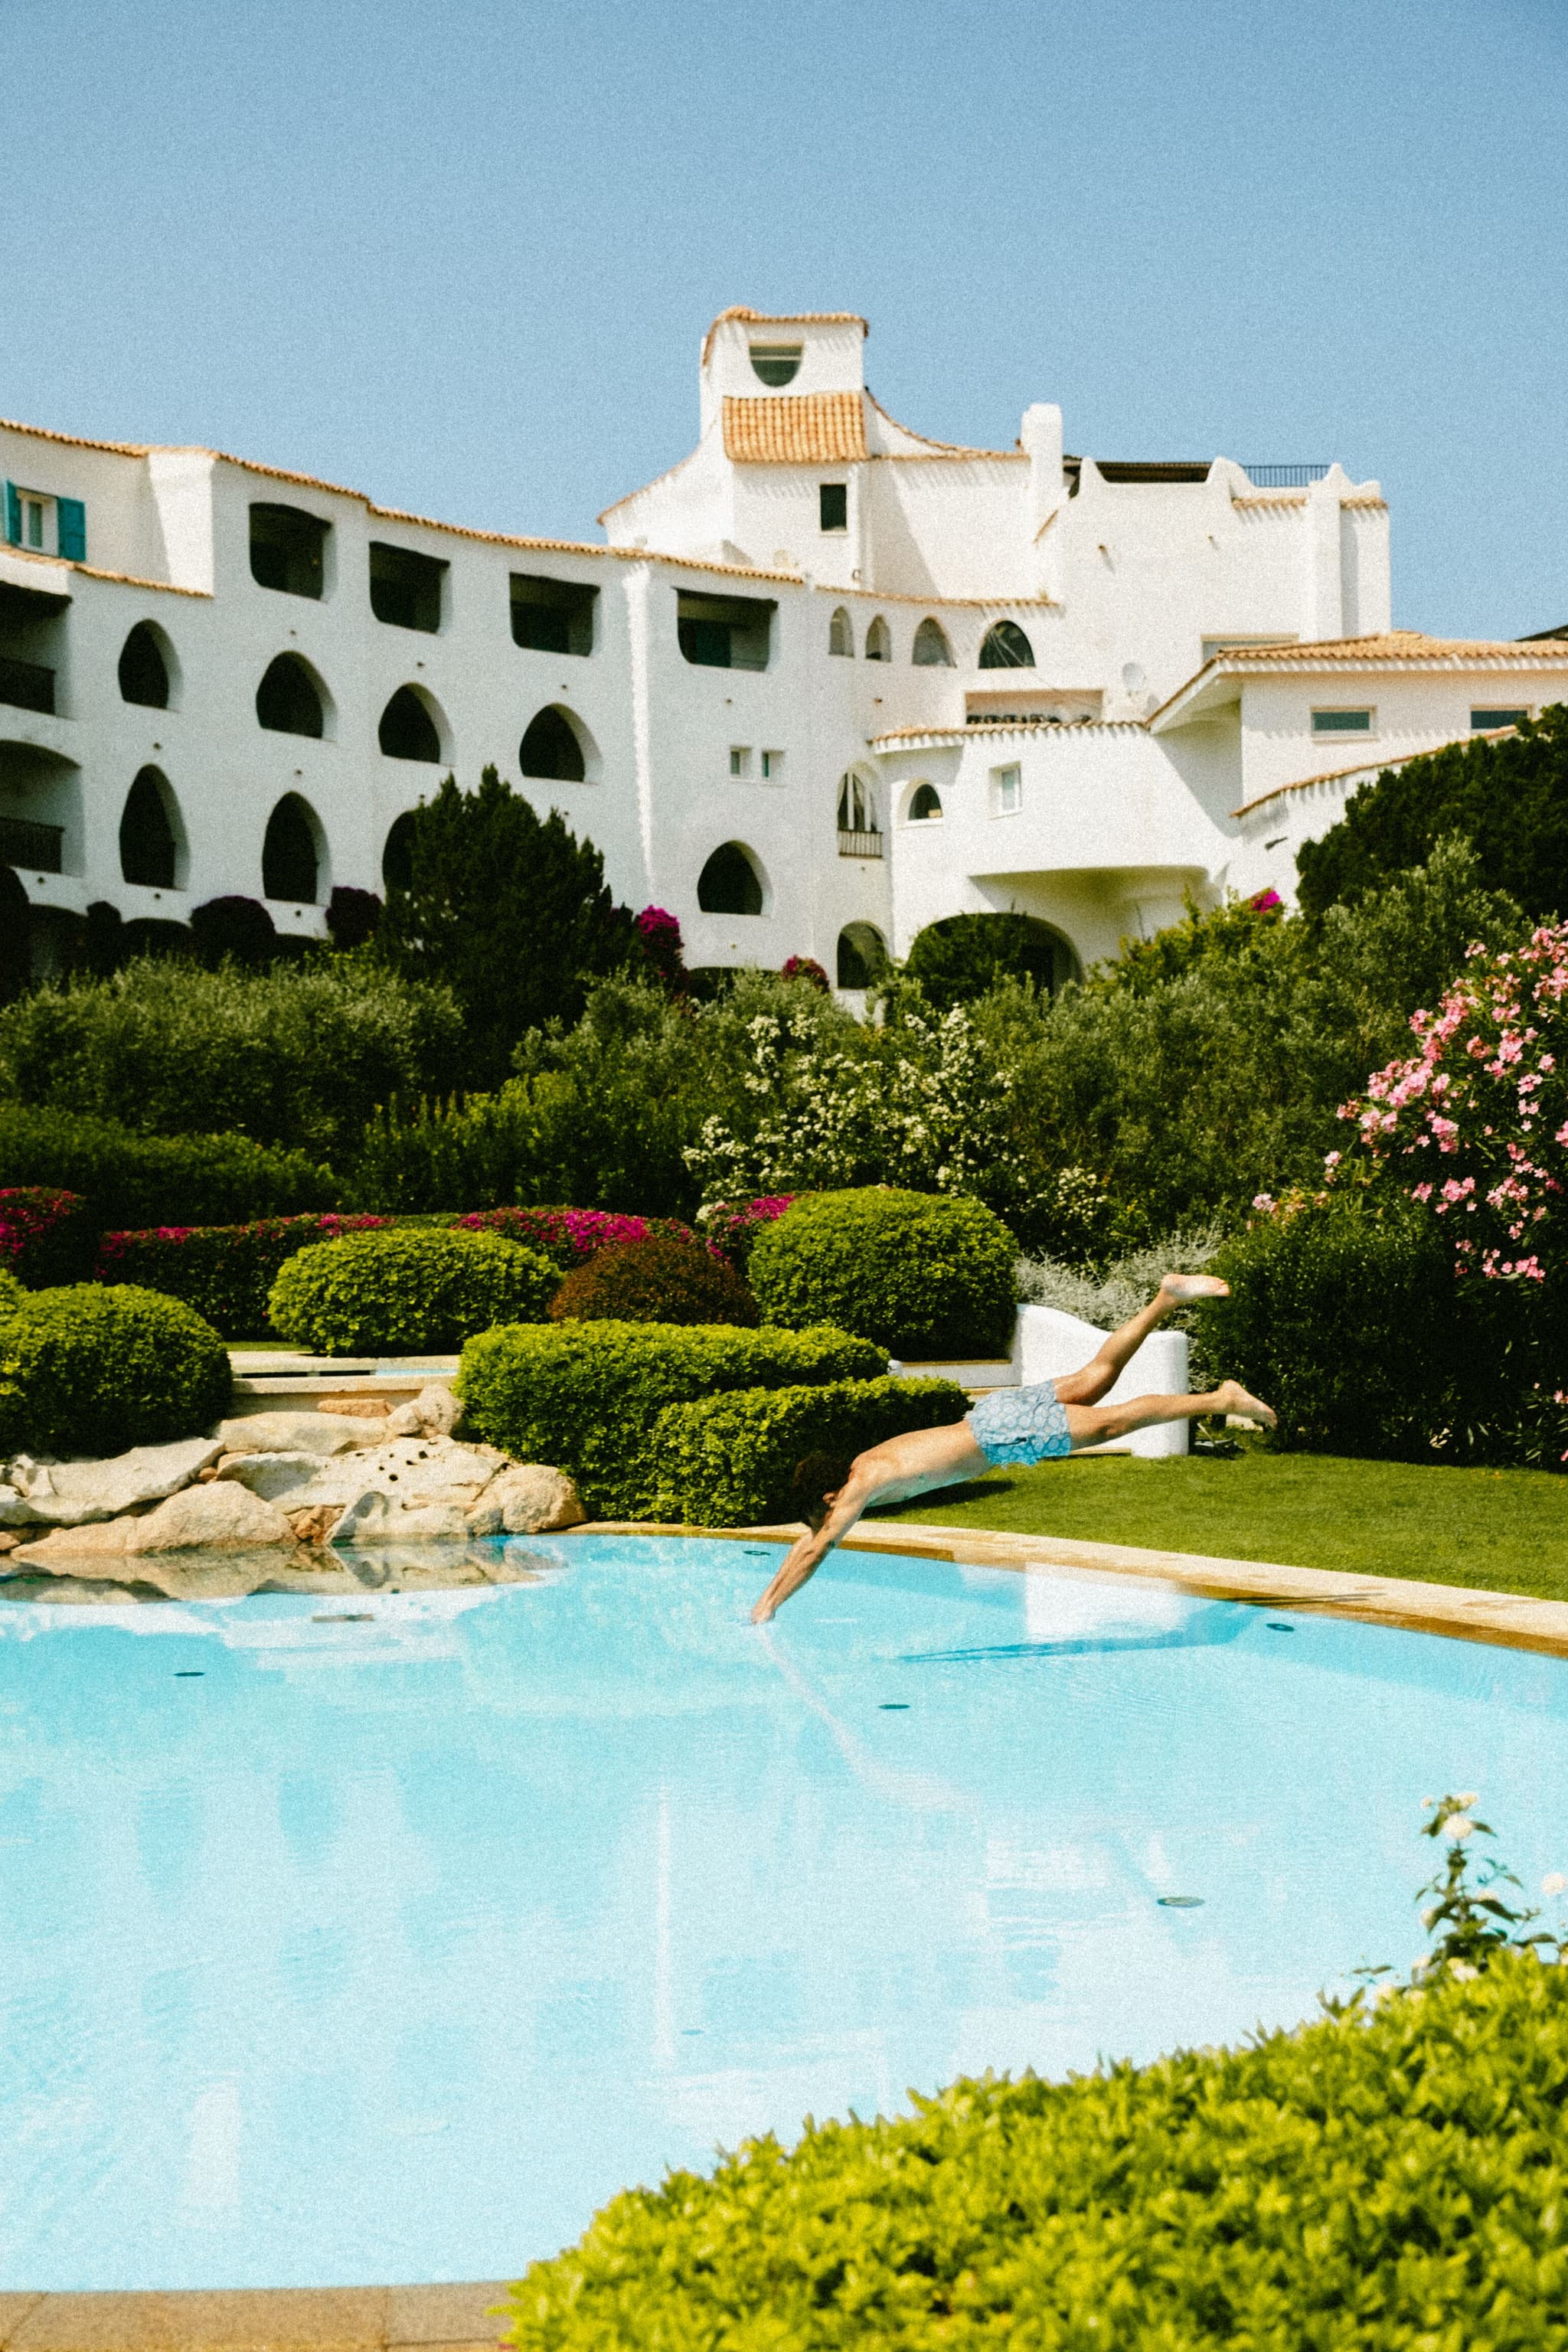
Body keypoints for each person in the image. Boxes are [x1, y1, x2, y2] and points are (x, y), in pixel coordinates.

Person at [750, 1273, 1272, 1623]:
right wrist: (765, 1599)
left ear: (826, 1498)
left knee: (1112, 1424)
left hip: (999, 1435)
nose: (823, 1526)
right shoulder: (864, 1462)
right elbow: (806, 1544)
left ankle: (1219, 1396)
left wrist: (768, 1610)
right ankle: (1167, 1297)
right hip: (991, 1418)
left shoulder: (859, 1486)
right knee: (1096, 1377)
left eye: (817, 1516)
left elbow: (817, 1550)